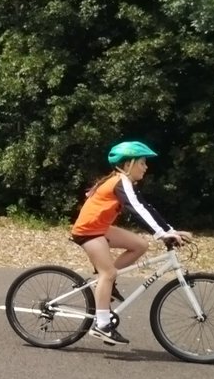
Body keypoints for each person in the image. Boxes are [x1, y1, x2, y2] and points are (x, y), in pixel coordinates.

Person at [71, 141, 192, 345]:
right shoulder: (120, 181)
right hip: (88, 231)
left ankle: (106, 285)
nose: (146, 167)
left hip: (100, 228)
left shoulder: (124, 182)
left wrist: (170, 230)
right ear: (128, 164)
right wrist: (162, 234)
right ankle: (101, 325)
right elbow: (138, 211)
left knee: (140, 245)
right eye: (142, 163)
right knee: (107, 273)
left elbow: (146, 208)